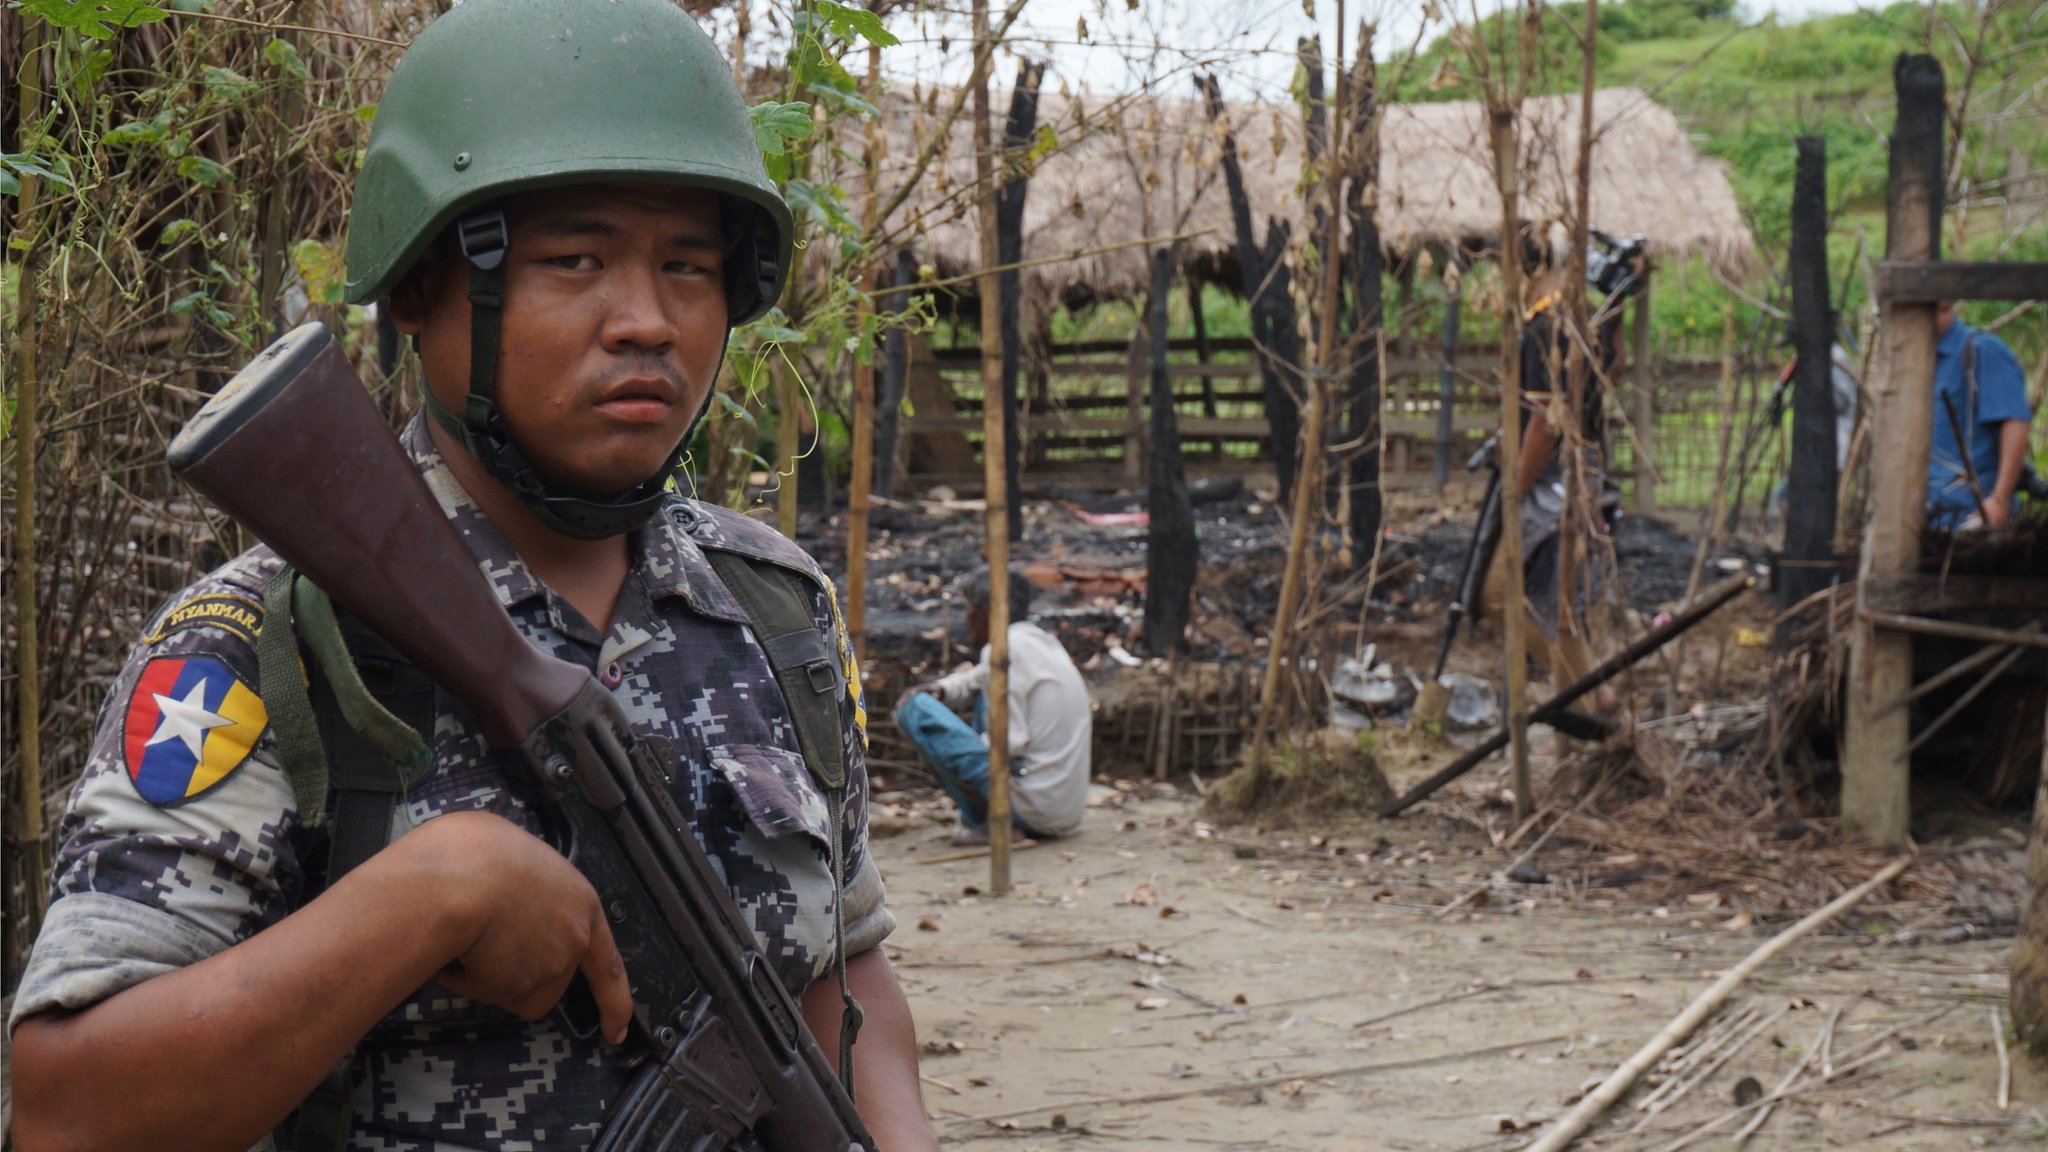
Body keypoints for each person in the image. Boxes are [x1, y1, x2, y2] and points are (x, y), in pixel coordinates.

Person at [9, 2, 938, 1149]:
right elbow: (66, 1111)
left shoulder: (772, 605)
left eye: (689, 267)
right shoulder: (268, 645)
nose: (646, 320)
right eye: (575, 261)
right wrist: (426, 894)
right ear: (417, 289)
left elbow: (843, 980)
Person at [1480, 232, 1636, 698]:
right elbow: (1618, 364)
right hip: (1586, 473)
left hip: (1552, 483)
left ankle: (1590, 694)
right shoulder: (1584, 317)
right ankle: (1593, 702)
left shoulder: (1544, 328)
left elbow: (1543, 425)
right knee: (1559, 604)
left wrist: (1514, 491)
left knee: (1497, 593)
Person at [892, 567, 1091, 847]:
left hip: (1034, 810)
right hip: (1062, 811)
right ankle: (993, 817)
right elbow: (980, 677)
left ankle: (993, 822)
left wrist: (962, 746)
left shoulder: (1004, 650)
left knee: (913, 710)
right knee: (982, 693)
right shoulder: (1041, 642)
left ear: (985, 611)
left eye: (969, 609)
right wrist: (943, 689)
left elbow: (1010, 742)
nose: (967, 619)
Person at [1927, 300, 2033, 531]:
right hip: (1928, 522)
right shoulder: (1919, 361)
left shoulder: (1982, 350)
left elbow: (2014, 422)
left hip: (1972, 520)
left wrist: (2000, 500)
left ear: (1943, 304)